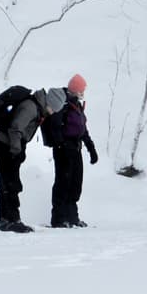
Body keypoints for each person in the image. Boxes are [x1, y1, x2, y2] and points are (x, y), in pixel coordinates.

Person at [0, 87, 66, 233]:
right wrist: (16, 150)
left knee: (8, 183)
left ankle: (5, 220)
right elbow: (15, 128)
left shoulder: (38, 108)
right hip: (6, 145)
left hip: (10, 145)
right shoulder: (31, 107)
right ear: (50, 103)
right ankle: (11, 220)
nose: (52, 113)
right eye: (53, 109)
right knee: (10, 183)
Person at [45, 74, 98, 228]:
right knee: (63, 182)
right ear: (76, 90)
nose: (83, 92)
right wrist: (61, 144)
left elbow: (83, 129)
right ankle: (58, 219)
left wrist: (91, 148)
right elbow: (55, 126)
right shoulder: (63, 104)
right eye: (82, 89)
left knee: (75, 184)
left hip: (76, 148)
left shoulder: (77, 106)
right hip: (64, 149)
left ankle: (72, 217)